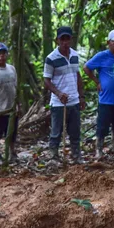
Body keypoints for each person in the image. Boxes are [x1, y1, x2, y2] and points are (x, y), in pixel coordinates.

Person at [83, 29, 114, 158]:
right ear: (108, 43)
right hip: (106, 100)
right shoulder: (102, 56)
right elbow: (86, 67)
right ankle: (99, 150)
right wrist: (97, 82)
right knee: (102, 127)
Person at [43, 26, 86, 163]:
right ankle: (54, 157)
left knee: (75, 131)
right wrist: (58, 93)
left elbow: (78, 76)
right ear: (57, 40)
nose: (65, 42)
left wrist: (81, 96)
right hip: (58, 103)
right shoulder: (51, 58)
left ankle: (76, 155)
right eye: (62, 39)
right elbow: (46, 80)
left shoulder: (75, 55)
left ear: (71, 40)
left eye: (67, 39)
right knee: (56, 131)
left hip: (74, 100)